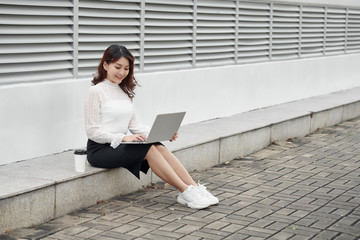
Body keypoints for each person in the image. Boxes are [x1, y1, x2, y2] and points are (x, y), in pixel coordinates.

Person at [85, 44, 219, 209]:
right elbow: (92, 131)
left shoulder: (125, 92)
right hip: (100, 150)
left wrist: (162, 133)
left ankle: (194, 188)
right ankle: (185, 191)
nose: (122, 72)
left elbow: (135, 125)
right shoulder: (96, 91)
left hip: (121, 145)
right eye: (117, 67)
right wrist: (123, 137)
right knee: (148, 149)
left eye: (126, 68)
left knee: (157, 145)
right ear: (105, 65)